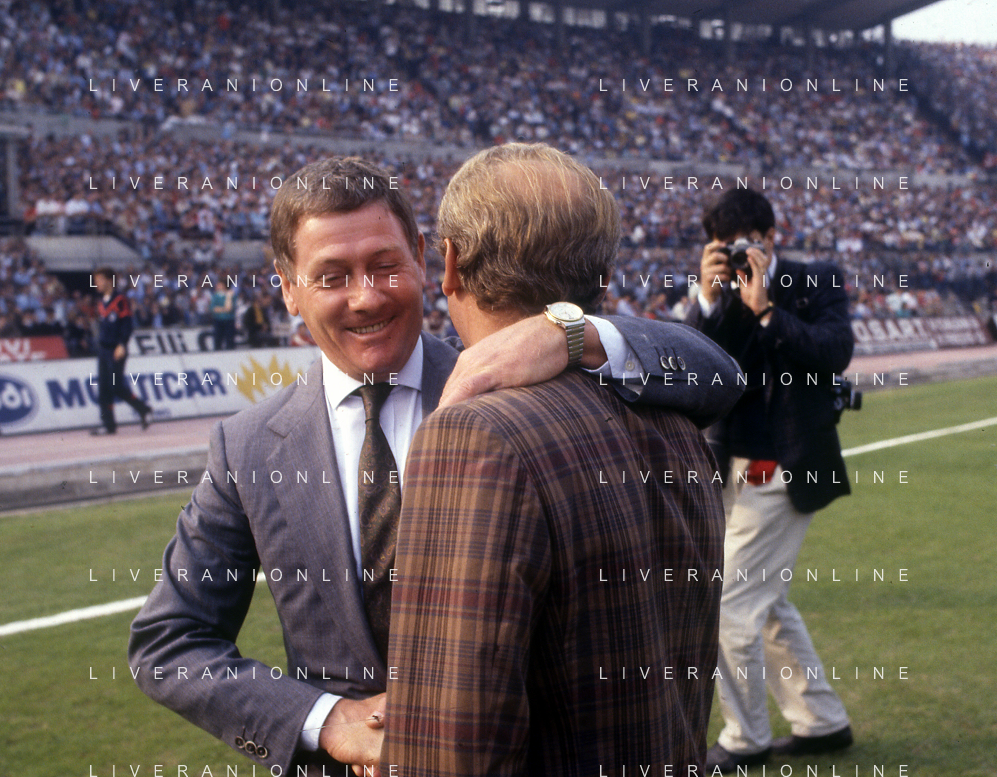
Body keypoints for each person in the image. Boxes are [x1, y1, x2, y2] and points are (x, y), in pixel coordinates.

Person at [129, 156, 742, 776]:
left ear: (426, 258)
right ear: (288, 287)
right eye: (332, 276)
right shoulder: (248, 447)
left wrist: (574, 333)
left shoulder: (508, 379)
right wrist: (325, 720)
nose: (366, 296)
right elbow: (169, 640)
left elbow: (716, 371)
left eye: (385, 266)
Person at [380, 143, 731, 776]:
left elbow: (453, 740)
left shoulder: (474, 433)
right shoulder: (673, 417)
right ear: (603, 277)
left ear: (450, 263)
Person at [683, 188, 855, 772]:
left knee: (729, 605)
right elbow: (695, 366)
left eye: (748, 244)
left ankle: (744, 738)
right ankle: (822, 722)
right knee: (769, 604)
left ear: (771, 237)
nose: (739, 255)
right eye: (726, 247)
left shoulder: (815, 280)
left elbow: (835, 350)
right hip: (727, 467)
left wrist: (766, 311)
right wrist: (707, 302)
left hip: (784, 466)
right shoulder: (720, 291)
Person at [90, 267, 151, 435]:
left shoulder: (120, 300)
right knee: (103, 387)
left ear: (109, 280)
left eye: (99, 280)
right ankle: (108, 424)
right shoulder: (101, 302)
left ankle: (143, 409)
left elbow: (127, 324)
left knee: (115, 385)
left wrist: (122, 344)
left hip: (116, 349)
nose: (97, 283)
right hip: (103, 350)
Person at [210, 278, 237, 350]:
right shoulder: (216, 296)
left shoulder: (231, 295)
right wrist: (224, 309)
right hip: (218, 320)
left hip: (229, 320)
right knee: (218, 340)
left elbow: (229, 308)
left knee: (230, 340)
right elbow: (213, 309)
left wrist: (228, 297)